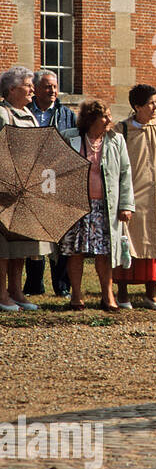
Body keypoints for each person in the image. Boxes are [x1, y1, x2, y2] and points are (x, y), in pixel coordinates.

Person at [60, 100, 134, 311]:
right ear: (91, 119)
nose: (109, 119)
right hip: (77, 205)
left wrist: (126, 205)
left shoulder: (116, 140)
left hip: (106, 206)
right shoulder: (70, 137)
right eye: (104, 116)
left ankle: (107, 295)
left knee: (105, 252)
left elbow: (125, 174)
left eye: (109, 115)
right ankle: (76, 294)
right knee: (75, 251)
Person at [112, 84, 156, 310]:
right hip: (133, 198)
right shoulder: (122, 130)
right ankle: (122, 294)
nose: (155, 107)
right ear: (137, 106)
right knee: (128, 245)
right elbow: (115, 165)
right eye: (150, 103)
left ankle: (152, 294)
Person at [0, 66, 52, 311]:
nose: (33, 89)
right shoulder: (2, 114)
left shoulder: (29, 116)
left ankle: (17, 291)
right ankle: (2, 295)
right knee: (3, 246)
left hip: (27, 188)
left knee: (20, 244)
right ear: (12, 89)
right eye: (28, 85)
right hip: (5, 189)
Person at [22, 70, 76, 297]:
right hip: (31, 179)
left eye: (55, 87)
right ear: (36, 89)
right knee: (34, 233)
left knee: (58, 232)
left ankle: (62, 285)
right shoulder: (25, 112)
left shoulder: (66, 114)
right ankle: (34, 285)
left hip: (56, 178)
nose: (53, 91)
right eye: (47, 87)